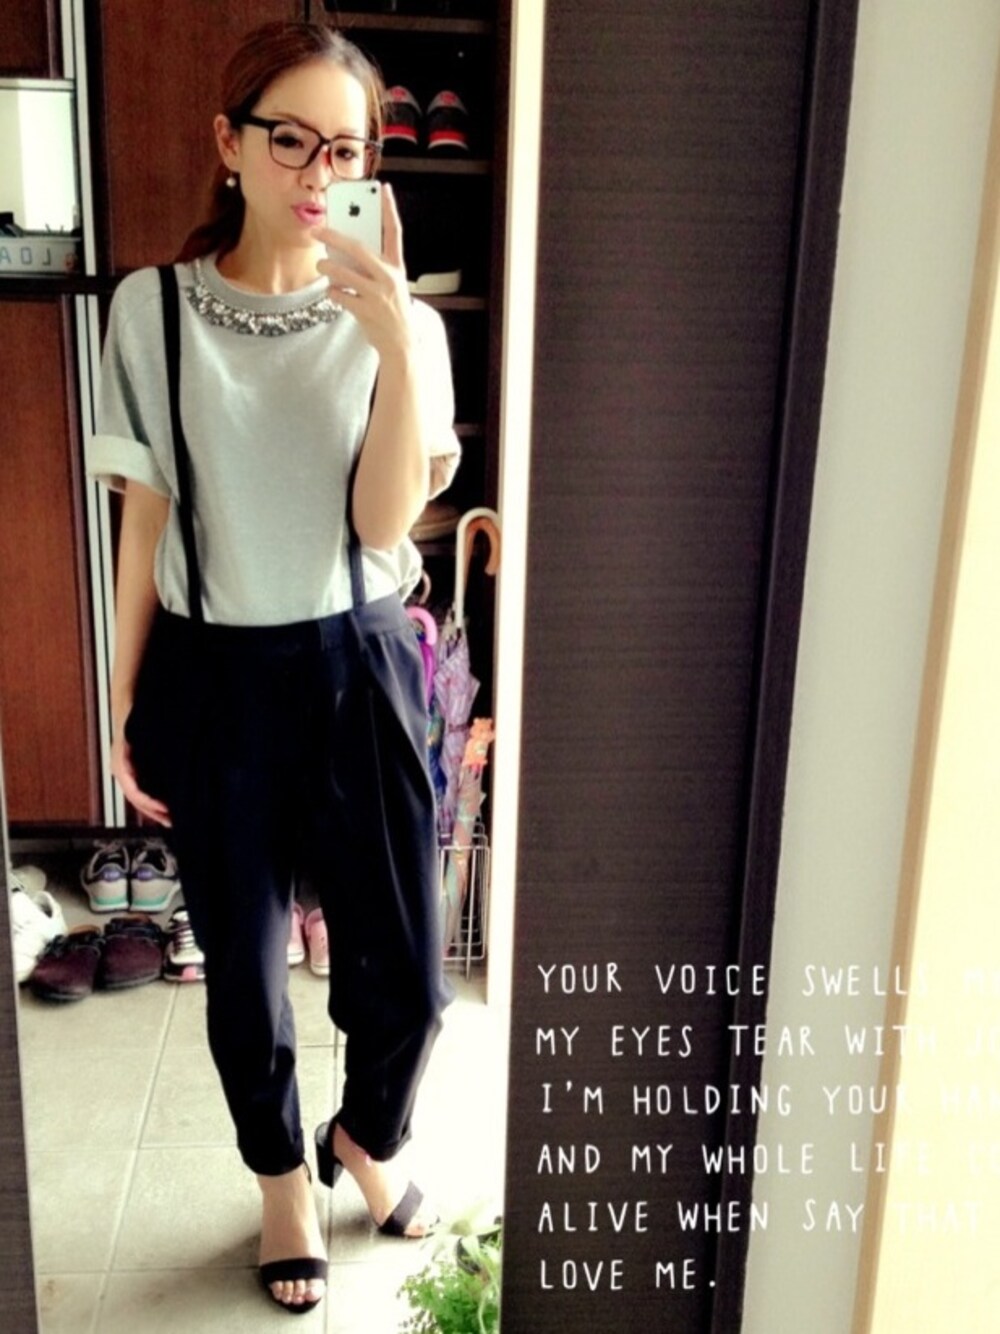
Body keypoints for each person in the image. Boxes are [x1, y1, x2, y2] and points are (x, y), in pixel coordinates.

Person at [87, 19, 458, 1315]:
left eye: (346, 149)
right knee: (244, 972)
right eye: (289, 138)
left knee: (410, 976)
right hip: (213, 672)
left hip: (362, 655)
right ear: (228, 144)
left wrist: (393, 339)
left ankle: (364, 1134)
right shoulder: (148, 312)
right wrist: (120, 694)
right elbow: (145, 520)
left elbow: (381, 522)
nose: (316, 171)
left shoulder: (403, 325)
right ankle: (282, 1180)